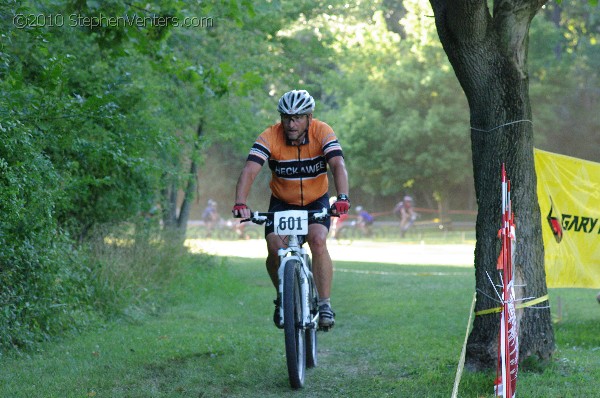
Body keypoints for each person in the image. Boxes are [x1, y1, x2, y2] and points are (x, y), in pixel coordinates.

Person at [232, 89, 350, 330]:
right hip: (282, 203)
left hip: (316, 200)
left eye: (297, 117)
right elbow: (250, 170)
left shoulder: (322, 131)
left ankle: (325, 303)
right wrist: (240, 202)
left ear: (309, 117)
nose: (291, 123)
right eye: (286, 117)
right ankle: (282, 297)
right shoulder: (270, 136)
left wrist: (343, 197)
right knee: (275, 248)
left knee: (318, 240)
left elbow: (337, 163)